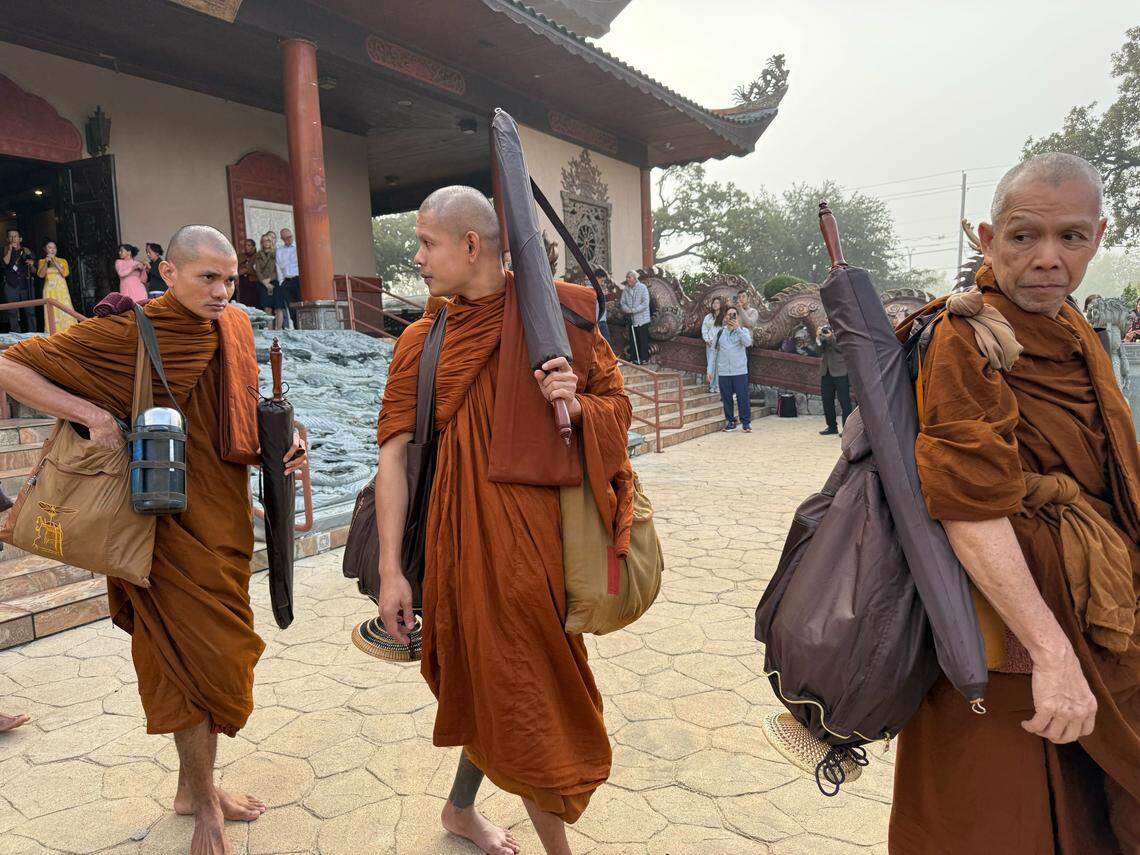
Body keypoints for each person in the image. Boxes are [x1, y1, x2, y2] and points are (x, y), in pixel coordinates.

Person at [0, 225, 308, 855]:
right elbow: (9, 364)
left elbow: (242, 402)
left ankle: (195, 787)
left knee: (216, 659)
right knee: (185, 663)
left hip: (220, 524)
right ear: (168, 273)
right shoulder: (126, 333)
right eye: (208, 278)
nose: (223, 292)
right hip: (159, 532)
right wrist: (91, 415)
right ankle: (203, 806)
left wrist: (286, 439)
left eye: (229, 279)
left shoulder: (234, 327)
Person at [891, 153, 1140, 853]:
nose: (1047, 259)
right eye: (1024, 236)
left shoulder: (1075, 331)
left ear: (1098, 235)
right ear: (986, 236)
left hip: (1096, 600)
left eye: (1071, 237)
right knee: (999, 820)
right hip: (1005, 633)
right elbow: (969, 508)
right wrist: (1052, 652)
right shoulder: (966, 336)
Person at [375, 186, 634, 855]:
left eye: (427, 242)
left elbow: (617, 409)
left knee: (502, 688)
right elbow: (395, 455)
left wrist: (579, 407)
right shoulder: (422, 340)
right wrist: (390, 571)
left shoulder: (563, 318)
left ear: (471, 245)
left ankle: (460, 807)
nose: (418, 257)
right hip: (463, 554)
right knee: (515, 692)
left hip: (542, 554)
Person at [711, 303, 753, 432]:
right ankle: (731, 422)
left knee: (742, 398)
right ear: (725, 317)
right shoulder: (719, 333)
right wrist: (709, 370)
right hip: (723, 372)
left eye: (734, 315)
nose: (731, 317)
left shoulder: (743, 331)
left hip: (739, 371)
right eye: (729, 314)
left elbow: (748, 343)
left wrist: (738, 329)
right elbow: (713, 352)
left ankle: (746, 423)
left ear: (738, 317)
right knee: (727, 399)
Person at [36, 241, 77, 334]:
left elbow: (65, 273)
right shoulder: (42, 261)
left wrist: (54, 260)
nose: (52, 249)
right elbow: (41, 275)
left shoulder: (63, 261)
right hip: (49, 291)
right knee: (51, 310)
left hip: (61, 290)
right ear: (45, 250)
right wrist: (46, 263)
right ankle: (53, 333)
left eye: (54, 247)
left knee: (66, 309)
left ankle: (70, 331)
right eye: (50, 247)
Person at [817, 325, 851, 435]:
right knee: (827, 399)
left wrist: (831, 338)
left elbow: (842, 349)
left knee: (844, 401)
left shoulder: (843, 330)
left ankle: (847, 429)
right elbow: (819, 351)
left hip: (841, 371)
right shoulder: (824, 335)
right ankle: (831, 426)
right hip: (826, 371)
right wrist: (818, 338)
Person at [3, 229, 36, 333]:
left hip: (26, 285)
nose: (13, 239)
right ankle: (15, 335)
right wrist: (9, 250)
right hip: (11, 285)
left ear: (20, 239)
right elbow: (4, 264)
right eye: (11, 236)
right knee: (12, 313)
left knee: (30, 312)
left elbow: (35, 271)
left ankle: (33, 334)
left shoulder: (26, 251)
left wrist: (31, 265)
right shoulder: (4, 250)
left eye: (15, 236)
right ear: (7, 239)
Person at [618, 269, 650, 364]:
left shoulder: (642, 287)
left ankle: (644, 359)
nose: (627, 279)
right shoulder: (626, 289)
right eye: (627, 277)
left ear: (635, 278)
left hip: (642, 318)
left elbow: (645, 303)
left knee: (642, 339)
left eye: (629, 277)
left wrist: (634, 310)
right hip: (631, 319)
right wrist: (626, 309)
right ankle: (634, 358)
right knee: (633, 339)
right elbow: (622, 302)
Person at [251, 233, 281, 329]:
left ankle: (279, 329)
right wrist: (264, 282)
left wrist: (269, 279)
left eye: (268, 240)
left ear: (271, 241)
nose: (266, 242)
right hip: (263, 283)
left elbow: (278, 268)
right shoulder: (258, 255)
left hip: (275, 281)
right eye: (263, 241)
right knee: (267, 308)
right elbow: (258, 270)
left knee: (278, 308)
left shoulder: (277, 252)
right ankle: (270, 330)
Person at [276, 227, 300, 329]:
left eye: (289, 237)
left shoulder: (298, 247)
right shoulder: (279, 251)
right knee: (291, 309)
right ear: (282, 239)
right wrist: (281, 282)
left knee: (301, 306)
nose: (288, 239)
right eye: (285, 238)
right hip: (286, 282)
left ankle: (304, 328)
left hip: (298, 280)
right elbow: (278, 267)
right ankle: (297, 329)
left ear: (292, 236)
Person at [702, 296, 724, 392]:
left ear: (721, 305)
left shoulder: (723, 317)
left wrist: (721, 343)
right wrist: (707, 340)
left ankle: (718, 386)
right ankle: (711, 385)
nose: (715, 304)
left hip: (720, 346)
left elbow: (724, 331)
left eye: (717, 303)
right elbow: (704, 329)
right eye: (714, 303)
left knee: (719, 365)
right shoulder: (708, 317)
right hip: (710, 344)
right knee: (710, 364)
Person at [235, 239, 260, 308]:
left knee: (255, 302)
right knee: (244, 302)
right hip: (242, 282)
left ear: (253, 247)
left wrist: (246, 270)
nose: (246, 247)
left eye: (249, 245)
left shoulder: (258, 256)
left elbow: (259, 270)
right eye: (245, 245)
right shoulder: (240, 256)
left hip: (254, 282)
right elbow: (236, 267)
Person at [592, 267, 612, 348]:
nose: (603, 283)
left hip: (602, 320)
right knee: (597, 344)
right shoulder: (590, 288)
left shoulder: (600, 288)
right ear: (596, 278)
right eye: (602, 280)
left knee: (606, 342)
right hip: (595, 321)